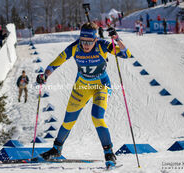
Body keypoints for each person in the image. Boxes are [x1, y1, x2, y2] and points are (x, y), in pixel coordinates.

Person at [36, 22, 132, 168]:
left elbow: (126, 54)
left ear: (95, 39)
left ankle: (109, 152)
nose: (86, 45)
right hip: (81, 86)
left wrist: (117, 38)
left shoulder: (102, 45)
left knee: (97, 117)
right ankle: (56, 149)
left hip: (101, 85)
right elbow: (57, 62)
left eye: (89, 42)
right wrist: (45, 75)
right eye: (83, 41)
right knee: (68, 120)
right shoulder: (75, 47)